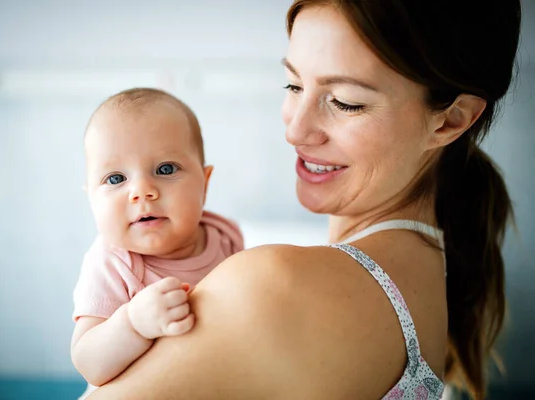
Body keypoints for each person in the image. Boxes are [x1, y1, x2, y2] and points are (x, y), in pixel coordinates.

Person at [88, 0, 521, 399]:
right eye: (293, 85)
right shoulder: (431, 261)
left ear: (450, 120)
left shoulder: (275, 287)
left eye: (345, 102)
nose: (295, 130)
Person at [70, 88, 244, 399]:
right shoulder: (112, 264)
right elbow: (88, 363)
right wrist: (134, 324)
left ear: (205, 183)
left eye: (165, 169)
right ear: (91, 199)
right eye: (115, 179)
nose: (142, 191)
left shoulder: (225, 236)